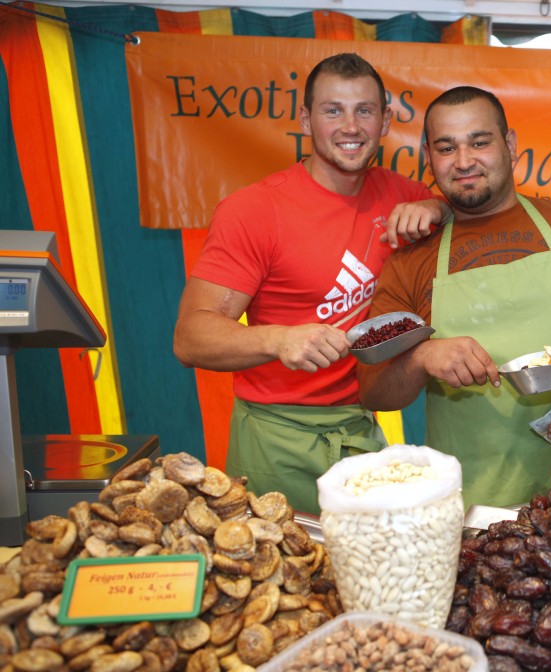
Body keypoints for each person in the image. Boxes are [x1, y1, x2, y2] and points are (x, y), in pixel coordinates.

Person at [356, 86, 551, 508]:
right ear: (429, 157)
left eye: (479, 142)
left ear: (511, 145)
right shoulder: (411, 259)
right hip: (476, 507)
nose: (464, 161)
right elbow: (374, 391)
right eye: (447, 148)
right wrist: (421, 357)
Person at [173, 53, 449, 515]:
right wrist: (278, 339)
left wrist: (438, 208)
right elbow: (189, 337)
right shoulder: (254, 210)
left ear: (384, 122)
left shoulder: (403, 195)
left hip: (360, 434)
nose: (350, 126)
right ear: (305, 120)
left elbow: (470, 205)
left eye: (364, 110)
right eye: (333, 110)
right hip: (274, 439)